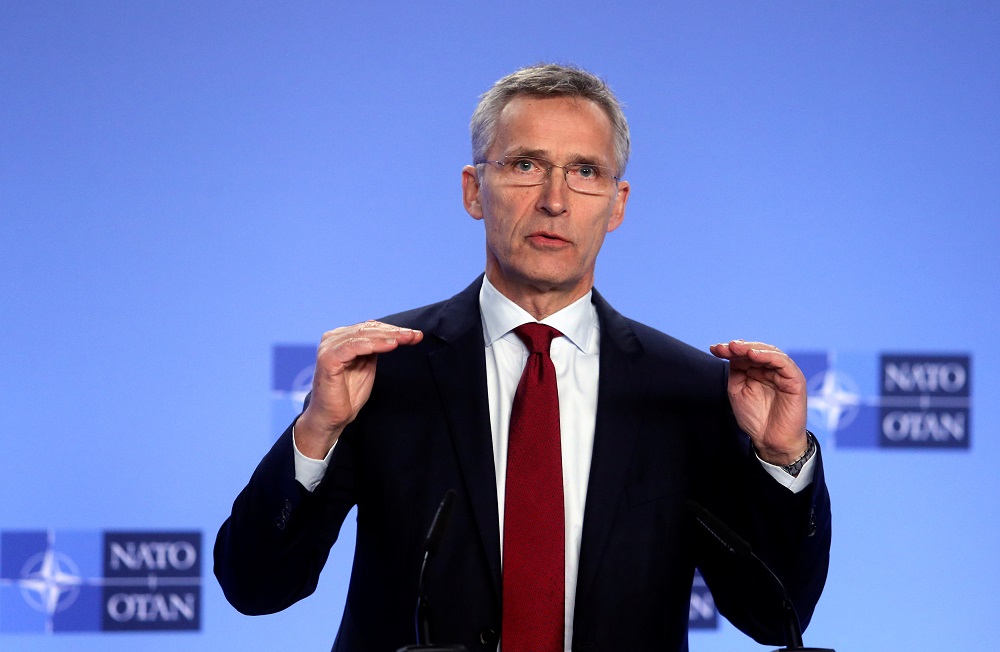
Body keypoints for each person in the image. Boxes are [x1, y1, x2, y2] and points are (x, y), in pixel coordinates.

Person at [215, 63, 831, 652]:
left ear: (617, 204)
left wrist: (782, 460)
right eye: (526, 165)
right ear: (473, 190)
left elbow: (772, 617)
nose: (555, 200)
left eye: (584, 170)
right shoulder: (383, 369)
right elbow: (256, 586)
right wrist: (318, 431)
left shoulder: (690, 390)